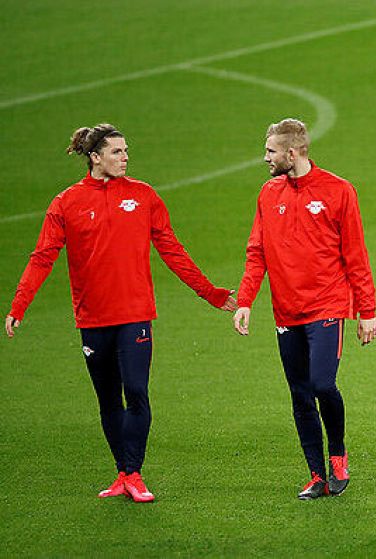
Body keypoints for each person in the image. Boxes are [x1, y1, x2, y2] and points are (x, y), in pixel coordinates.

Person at [5, 124, 237, 502]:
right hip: (92, 319)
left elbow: (172, 250)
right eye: (117, 152)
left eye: (126, 151)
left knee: (136, 391)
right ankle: (123, 472)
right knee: (109, 400)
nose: (125, 157)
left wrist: (210, 294)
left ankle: (134, 472)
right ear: (95, 157)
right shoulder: (66, 203)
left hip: (134, 315)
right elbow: (43, 257)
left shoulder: (143, 196)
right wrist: (20, 304)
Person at [233, 118, 376, 500]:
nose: (265, 158)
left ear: (291, 153)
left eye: (270, 152)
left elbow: (356, 256)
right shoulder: (268, 194)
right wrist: (246, 300)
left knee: (322, 385)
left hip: (327, 305)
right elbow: (256, 252)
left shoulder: (338, 191)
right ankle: (316, 475)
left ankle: (338, 455)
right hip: (286, 311)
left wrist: (367, 311)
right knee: (300, 395)